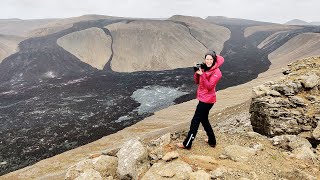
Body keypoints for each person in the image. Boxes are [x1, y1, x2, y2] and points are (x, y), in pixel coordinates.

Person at [176, 50, 224, 149]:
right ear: (205, 59)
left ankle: (187, 144)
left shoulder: (217, 72)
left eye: (211, 59)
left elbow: (209, 87)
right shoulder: (205, 68)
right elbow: (197, 81)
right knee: (204, 119)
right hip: (203, 98)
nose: (209, 61)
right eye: (207, 59)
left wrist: (202, 75)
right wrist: (197, 72)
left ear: (214, 60)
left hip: (207, 100)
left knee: (195, 120)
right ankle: (212, 141)